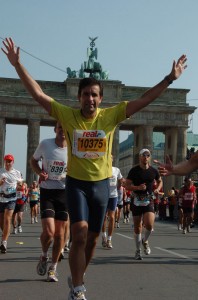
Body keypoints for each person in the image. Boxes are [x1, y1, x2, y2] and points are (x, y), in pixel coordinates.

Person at [2, 37, 187, 300]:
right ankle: (78, 288)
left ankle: (77, 276)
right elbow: (38, 95)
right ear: (78, 98)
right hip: (76, 184)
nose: (90, 98)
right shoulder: (67, 115)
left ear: (101, 99)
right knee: (78, 235)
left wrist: (170, 79)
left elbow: (144, 99)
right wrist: (18, 64)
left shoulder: (110, 116)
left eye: (94, 95)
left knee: (91, 241)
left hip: (102, 187)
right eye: (86, 94)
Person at [30, 122, 69, 283]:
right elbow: (33, 161)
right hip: (47, 191)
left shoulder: (74, 149)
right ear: (55, 129)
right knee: (49, 232)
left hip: (64, 193)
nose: (62, 130)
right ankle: (44, 255)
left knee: (60, 235)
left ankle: (53, 268)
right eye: (59, 127)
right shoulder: (45, 144)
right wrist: (40, 172)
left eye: (64, 128)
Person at [125, 149, 163, 260]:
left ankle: (145, 241)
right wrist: (137, 188)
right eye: (143, 155)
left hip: (148, 200)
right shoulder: (134, 171)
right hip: (136, 200)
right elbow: (127, 185)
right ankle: (137, 251)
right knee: (137, 227)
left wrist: (158, 189)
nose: (146, 157)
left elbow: (160, 181)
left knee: (149, 225)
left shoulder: (153, 171)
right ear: (140, 157)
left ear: (149, 157)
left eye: (148, 155)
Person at [0, 154, 23, 253]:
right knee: (1, 221)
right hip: (1, 198)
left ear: (13, 162)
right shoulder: (1, 171)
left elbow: (20, 183)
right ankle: (5, 234)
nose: (8, 163)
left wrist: (19, 185)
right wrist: (0, 183)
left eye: (10, 161)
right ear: (4, 162)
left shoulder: (17, 173)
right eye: (6, 161)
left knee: (7, 218)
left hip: (12, 198)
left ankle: (4, 242)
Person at [101, 156, 123, 249]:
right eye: (107, 158)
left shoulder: (116, 170)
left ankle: (109, 239)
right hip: (103, 196)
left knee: (112, 217)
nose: (109, 159)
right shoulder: (102, 169)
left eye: (111, 158)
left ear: (113, 159)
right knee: (104, 217)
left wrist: (119, 185)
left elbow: (120, 179)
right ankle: (104, 236)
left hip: (113, 196)